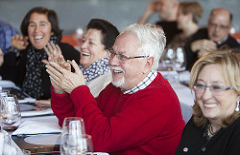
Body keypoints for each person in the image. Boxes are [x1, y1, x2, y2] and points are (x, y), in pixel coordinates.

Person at [45, 24, 185, 155]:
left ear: (147, 64)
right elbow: (77, 122)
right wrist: (60, 90)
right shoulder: (120, 84)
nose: (112, 61)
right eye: (112, 53)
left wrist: (79, 90)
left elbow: (102, 140)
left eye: (122, 57)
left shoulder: (157, 98)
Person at [0, 7, 80, 101]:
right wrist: (13, 49)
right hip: (30, 110)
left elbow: (80, 88)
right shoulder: (25, 52)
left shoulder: (66, 51)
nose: (36, 30)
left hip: (56, 112)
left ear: (52, 30)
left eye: (42, 24)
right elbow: (8, 82)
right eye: (32, 25)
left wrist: (60, 69)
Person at [37, 18, 119, 107]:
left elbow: (90, 111)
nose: (83, 46)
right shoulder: (80, 73)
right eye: (83, 40)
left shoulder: (110, 81)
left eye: (91, 43)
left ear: (109, 52)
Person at [175, 49, 240, 155]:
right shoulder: (198, 121)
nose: (205, 96)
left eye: (217, 87)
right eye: (200, 85)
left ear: (238, 94)